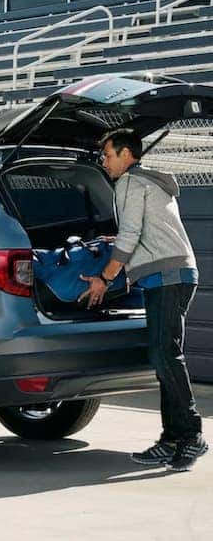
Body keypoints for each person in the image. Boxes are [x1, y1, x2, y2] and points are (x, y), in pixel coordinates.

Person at [79, 128, 204, 472]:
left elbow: (132, 235)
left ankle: (190, 435)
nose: (104, 162)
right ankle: (171, 440)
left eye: (107, 155)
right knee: (165, 357)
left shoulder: (130, 183)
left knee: (166, 356)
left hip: (166, 275)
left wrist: (105, 278)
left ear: (126, 154)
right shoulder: (152, 182)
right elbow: (144, 230)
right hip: (178, 272)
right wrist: (119, 239)